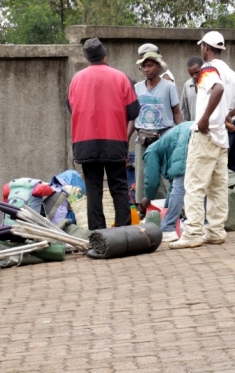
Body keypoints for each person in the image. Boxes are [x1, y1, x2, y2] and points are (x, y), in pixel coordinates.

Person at [170, 31, 235, 249]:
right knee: (217, 187)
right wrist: (226, 116)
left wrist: (204, 118)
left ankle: (193, 233)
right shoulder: (228, 71)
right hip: (221, 138)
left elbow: (217, 89)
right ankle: (216, 230)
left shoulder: (209, 68)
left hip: (206, 135)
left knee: (195, 186)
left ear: (205, 48)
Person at [67, 38, 140, 230]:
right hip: (114, 141)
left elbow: (71, 107)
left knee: (94, 190)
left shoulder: (76, 79)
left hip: (85, 142)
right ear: (105, 55)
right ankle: (124, 233)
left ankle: (97, 236)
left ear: (87, 58)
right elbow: (134, 112)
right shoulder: (121, 78)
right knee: (118, 187)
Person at [128, 51, 182, 208]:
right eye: (143, 66)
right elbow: (133, 118)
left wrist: (182, 136)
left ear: (158, 67)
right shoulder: (137, 88)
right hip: (143, 139)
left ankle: (170, 210)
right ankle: (144, 211)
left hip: (164, 138)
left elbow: (177, 113)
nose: (146, 69)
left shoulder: (169, 87)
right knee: (143, 178)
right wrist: (125, 141)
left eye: (150, 65)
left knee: (168, 177)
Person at [143, 122, 192, 243]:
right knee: (202, 185)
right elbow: (172, 186)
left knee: (180, 185)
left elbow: (152, 180)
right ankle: (206, 224)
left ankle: (168, 229)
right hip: (202, 133)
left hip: (187, 137)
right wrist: (166, 207)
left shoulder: (151, 151)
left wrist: (148, 198)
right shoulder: (167, 145)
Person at [179, 57, 203, 122]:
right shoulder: (187, 85)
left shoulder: (210, 84)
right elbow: (184, 110)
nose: (194, 76)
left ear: (203, 69)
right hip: (193, 126)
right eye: (191, 74)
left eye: (197, 72)